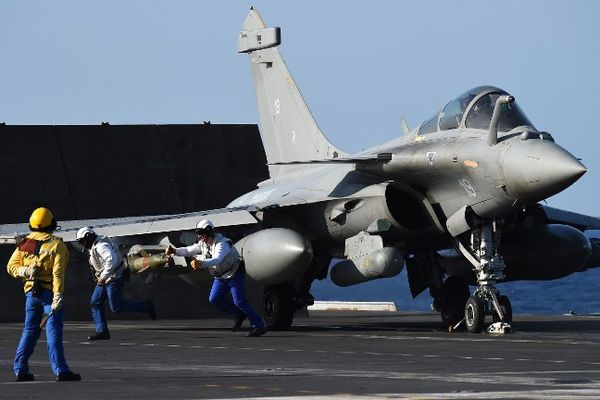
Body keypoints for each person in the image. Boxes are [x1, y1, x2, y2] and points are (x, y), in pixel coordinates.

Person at [6, 207, 81, 382]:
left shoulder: (25, 243)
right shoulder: (57, 245)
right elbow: (58, 274)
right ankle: (61, 370)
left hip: (31, 295)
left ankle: (20, 369)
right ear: (52, 224)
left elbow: (11, 266)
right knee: (53, 331)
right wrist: (58, 296)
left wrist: (25, 271)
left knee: (29, 331)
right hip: (49, 294)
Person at [165, 219, 266, 337]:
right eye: (199, 234)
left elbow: (217, 259)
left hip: (234, 273)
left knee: (239, 301)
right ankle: (238, 315)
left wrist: (200, 263)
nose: (200, 236)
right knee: (214, 299)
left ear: (208, 233)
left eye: (201, 233)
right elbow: (188, 250)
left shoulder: (222, 243)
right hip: (220, 276)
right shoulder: (203, 244)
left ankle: (259, 326)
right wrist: (175, 251)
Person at [76, 227, 156, 341]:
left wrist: (103, 277)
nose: (82, 244)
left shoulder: (101, 246)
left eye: (82, 241)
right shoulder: (95, 245)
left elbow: (111, 260)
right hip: (105, 279)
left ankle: (147, 306)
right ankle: (102, 332)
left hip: (113, 278)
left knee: (116, 308)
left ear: (88, 238)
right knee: (95, 302)